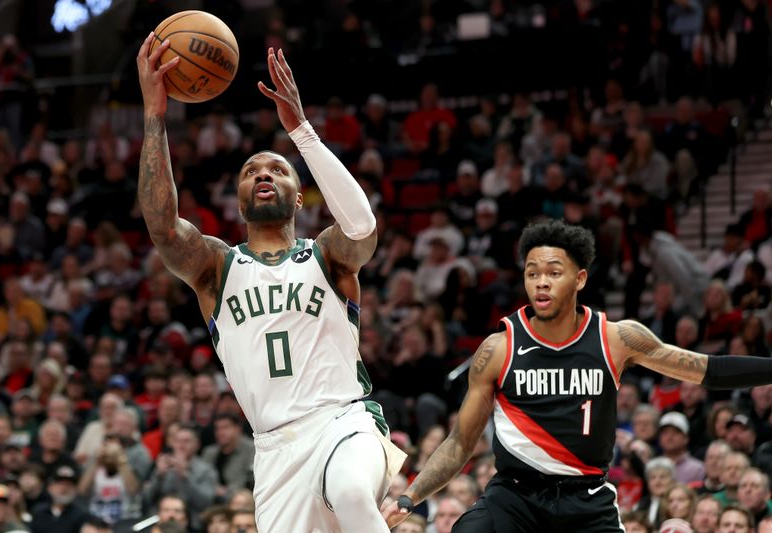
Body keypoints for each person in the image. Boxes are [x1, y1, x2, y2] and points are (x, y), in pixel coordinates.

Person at [137, 35, 403, 532]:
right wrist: (155, 115)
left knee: (349, 491)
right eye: (250, 171)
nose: (263, 174)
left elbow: (362, 227)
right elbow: (163, 227)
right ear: (238, 199)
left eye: (277, 169)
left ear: (299, 196)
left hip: (344, 420)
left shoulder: (326, 254)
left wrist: (302, 133)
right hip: (274, 449)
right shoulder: (217, 268)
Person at [384, 219, 772, 531]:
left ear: (580, 279)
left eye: (554, 272)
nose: (541, 282)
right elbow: (459, 443)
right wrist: (410, 496)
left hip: (586, 500)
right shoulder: (498, 347)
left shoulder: (616, 338)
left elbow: (708, 370)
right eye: (532, 273)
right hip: (515, 497)